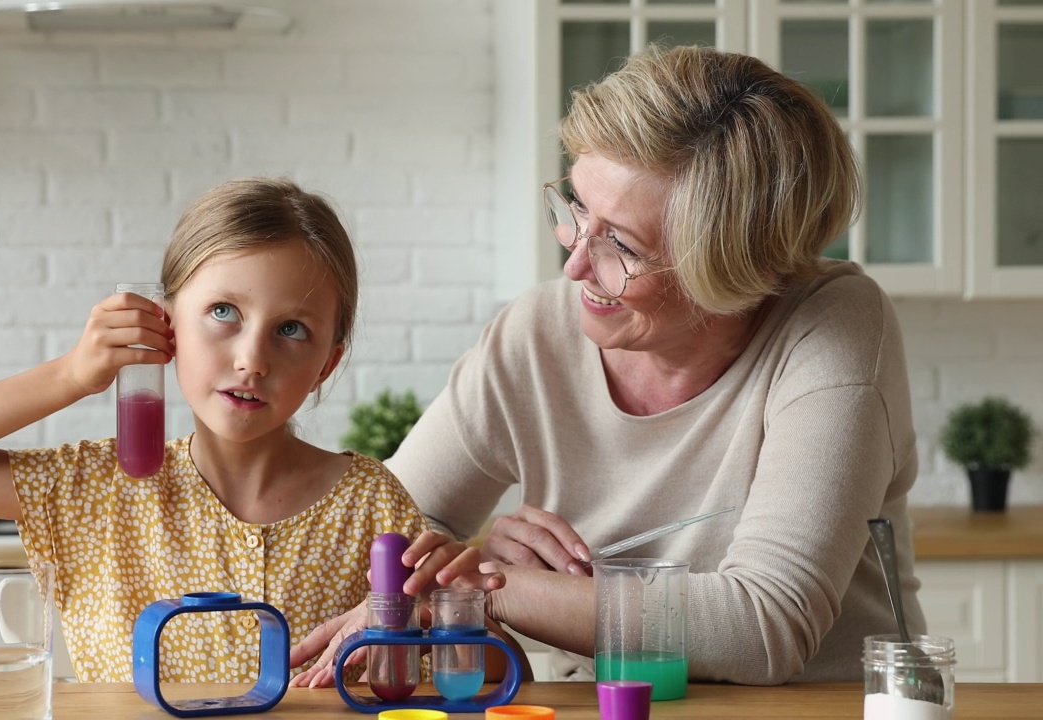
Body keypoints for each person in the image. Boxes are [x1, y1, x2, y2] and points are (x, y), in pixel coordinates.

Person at [292, 45, 923, 686]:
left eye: (621, 244)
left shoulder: (834, 327)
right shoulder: (536, 334)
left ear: (744, 268)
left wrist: (492, 584)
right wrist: (471, 567)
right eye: (577, 211)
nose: (575, 264)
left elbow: (762, 628)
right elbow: (382, 531)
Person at [0, 177, 498, 683]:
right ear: (166, 324)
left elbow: (479, 678)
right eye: (223, 312)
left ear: (326, 364)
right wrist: (69, 376)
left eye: (291, 329)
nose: (252, 357)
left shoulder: (370, 502)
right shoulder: (97, 487)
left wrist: (456, 614)